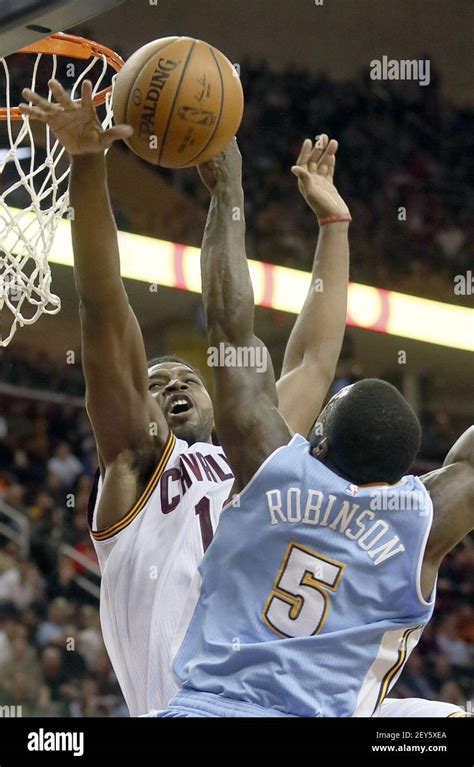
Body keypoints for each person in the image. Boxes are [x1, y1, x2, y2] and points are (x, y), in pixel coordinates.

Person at [19, 82, 350, 715]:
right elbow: (104, 302)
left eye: (185, 378)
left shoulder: (256, 451)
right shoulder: (137, 461)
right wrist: (88, 164)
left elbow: (312, 359)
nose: (172, 385)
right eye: (155, 381)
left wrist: (333, 224)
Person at [157, 139, 474, 718]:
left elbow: (229, 330)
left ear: (319, 441)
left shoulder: (272, 465)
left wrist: (227, 189)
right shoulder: (422, 520)